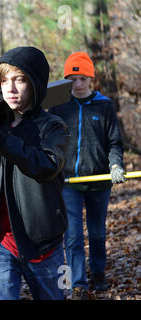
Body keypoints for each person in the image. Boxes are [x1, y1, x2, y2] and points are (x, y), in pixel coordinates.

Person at [0, 46, 70, 300]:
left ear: (35, 83)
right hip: (0, 244)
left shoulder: (53, 127)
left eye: (20, 80)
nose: (10, 89)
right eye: (4, 81)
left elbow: (45, 167)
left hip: (44, 244)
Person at [50, 52, 125, 299]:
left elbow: (115, 143)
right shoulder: (58, 107)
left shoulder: (104, 106)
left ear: (91, 79)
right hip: (68, 182)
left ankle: (99, 273)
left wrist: (115, 166)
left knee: (97, 232)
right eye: (72, 79)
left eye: (82, 79)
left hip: (99, 181)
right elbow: (48, 141)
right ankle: (78, 283)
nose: (78, 84)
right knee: (72, 235)